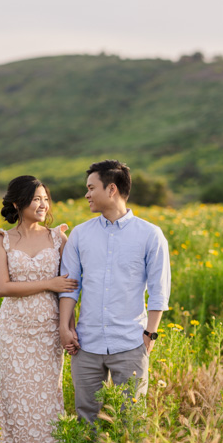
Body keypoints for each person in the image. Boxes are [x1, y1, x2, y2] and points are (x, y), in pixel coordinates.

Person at [58, 160, 171, 423]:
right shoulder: (80, 234)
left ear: (111, 190)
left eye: (91, 188)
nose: (86, 195)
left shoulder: (150, 235)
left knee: (130, 420)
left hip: (131, 342)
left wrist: (150, 335)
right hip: (85, 344)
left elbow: (159, 290)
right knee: (87, 417)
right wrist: (65, 326)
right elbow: (69, 286)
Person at [0, 176, 75, 443]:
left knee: (48, 398)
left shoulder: (58, 238)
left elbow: (69, 289)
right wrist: (48, 282)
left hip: (48, 330)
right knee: (14, 399)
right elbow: (2, 287)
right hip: (14, 331)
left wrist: (69, 326)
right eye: (36, 199)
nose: (43, 204)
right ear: (17, 203)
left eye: (45, 199)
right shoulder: (3, 239)